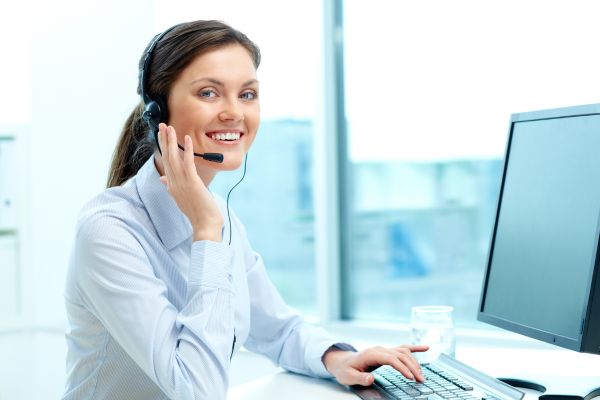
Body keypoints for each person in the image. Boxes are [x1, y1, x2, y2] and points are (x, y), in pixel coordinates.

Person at [62, 20, 428, 400]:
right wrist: (206, 231)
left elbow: (278, 329)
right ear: (159, 112)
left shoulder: (220, 217)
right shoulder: (110, 230)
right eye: (209, 93)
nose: (234, 112)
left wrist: (337, 358)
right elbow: (196, 390)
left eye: (248, 94)